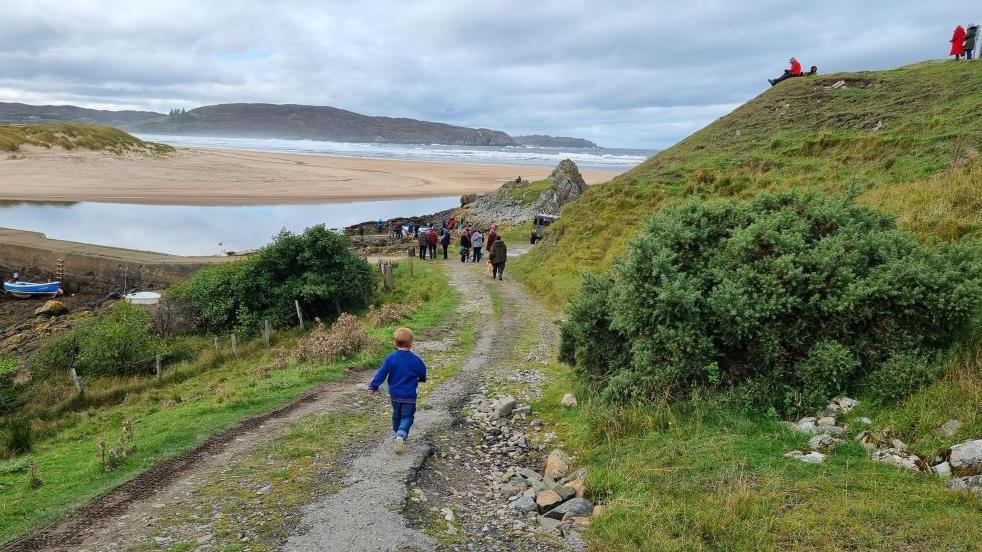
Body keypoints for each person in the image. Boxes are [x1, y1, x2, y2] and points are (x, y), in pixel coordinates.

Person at [368, 327, 427, 454]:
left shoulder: (390, 358)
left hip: (394, 394)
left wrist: (373, 386)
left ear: (395, 343)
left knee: (396, 414)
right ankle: (401, 434)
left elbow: (381, 373)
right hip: (410, 395)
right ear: (411, 343)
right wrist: (422, 378)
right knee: (407, 416)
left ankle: (396, 432)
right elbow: (422, 372)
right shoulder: (415, 359)